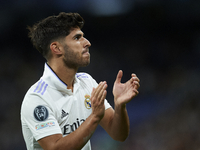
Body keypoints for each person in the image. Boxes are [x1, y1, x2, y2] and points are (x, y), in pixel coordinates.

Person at [20, 12, 140, 150]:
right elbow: (56, 148)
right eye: (77, 38)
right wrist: (94, 117)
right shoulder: (37, 98)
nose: (87, 43)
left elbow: (118, 134)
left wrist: (119, 106)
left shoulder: (86, 82)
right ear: (56, 48)